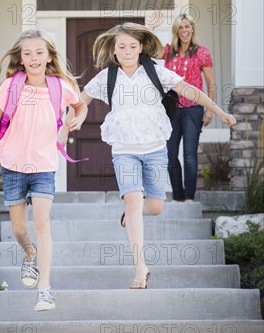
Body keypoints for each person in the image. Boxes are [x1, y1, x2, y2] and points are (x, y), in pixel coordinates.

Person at [60, 22, 236, 290]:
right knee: (133, 201)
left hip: (154, 149)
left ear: (141, 47)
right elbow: (79, 103)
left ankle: (129, 215)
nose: (128, 51)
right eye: (122, 47)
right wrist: (68, 126)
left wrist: (219, 111)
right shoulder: (106, 77)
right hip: (124, 151)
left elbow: (190, 90)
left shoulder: (155, 72)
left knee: (154, 207)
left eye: (133, 46)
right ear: (114, 50)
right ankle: (140, 268)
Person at [0, 29, 87, 311]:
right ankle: (29, 252)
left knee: (42, 223)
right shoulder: (10, 86)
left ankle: (45, 290)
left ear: (49, 56)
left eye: (39, 52)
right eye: (27, 53)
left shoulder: (59, 86)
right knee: (19, 230)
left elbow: (80, 106)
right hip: (13, 164)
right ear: (20, 57)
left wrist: (75, 121)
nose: (33, 57)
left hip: (43, 165)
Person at [161, 13, 215, 201]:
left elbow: (210, 83)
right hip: (172, 110)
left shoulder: (202, 53)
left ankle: (189, 197)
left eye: (187, 26)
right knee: (170, 154)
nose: (184, 30)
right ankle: (177, 197)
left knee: (190, 155)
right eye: (181, 27)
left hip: (193, 109)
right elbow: (147, 49)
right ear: (176, 30)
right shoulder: (168, 52)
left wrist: (209, 109)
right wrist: (152, 27)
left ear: (192, 29)